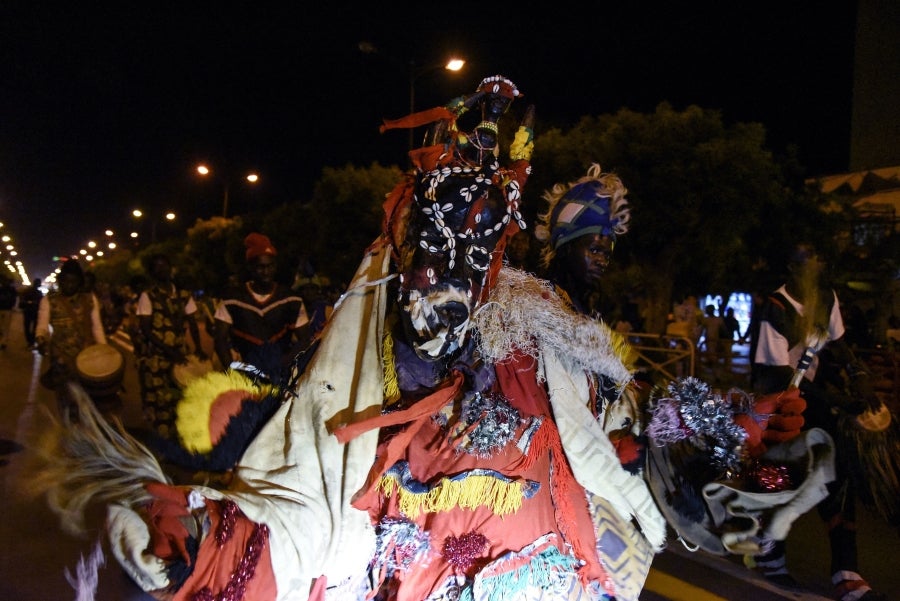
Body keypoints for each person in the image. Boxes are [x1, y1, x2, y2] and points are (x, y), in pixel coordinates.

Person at [751, 242, 887, 601]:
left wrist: (858, 375)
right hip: (779, 401)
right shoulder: (776, 308)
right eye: (807, 266)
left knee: (841, 472)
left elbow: (838, 346)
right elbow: (778, 373)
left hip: (814, 398)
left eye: (817, 264)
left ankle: (847, 571)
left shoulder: (826, 298)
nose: (815, 271)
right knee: (787, 474)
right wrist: (838, 400)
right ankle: (769, 552)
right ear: (793, 270)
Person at [213, 233, 309, 382]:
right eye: (260, 267)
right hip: (244, 374)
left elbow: (304, 339)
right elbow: (220, 339)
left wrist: (282, 365)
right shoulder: (231, 299)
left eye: (270, 266)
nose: (266, 272)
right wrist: (234, 371)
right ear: (250, 268)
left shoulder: (291, 299)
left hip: (281, 374)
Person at [135, 253, 208, 440]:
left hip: (180, 355)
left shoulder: (184, 295)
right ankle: (164, 443)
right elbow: (146, 330)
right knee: (161, 402)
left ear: (171, 268)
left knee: (181, 398)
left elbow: (192, 323)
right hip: (157, 358)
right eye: (157, 267)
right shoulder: (147, 296)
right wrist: (168, 351)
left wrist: (198, 348)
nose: (162, 270)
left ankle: (180, 439)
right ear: (152, 273)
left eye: (164, 265)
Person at [35, 259, 107, 416]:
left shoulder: (89, 299)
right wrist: (41, 339)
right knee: (66, 399)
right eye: (65, 281)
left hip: (88, 357)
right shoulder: (49, 300)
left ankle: (83, 430)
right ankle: (71, 431)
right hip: (62, 360)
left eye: (73, 282)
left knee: (87, 401)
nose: (69, 285)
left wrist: (104, 350)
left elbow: (97, 327)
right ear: (60, 281)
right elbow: (42, 325)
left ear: (80, 282)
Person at [18, 277, 43, 348]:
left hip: (30, 311)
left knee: (28, 327)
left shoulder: (30, 291)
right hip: (32, 311)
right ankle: (31, 341)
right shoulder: (37, 293)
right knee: (31, 328)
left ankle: (30, 341)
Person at [0, 276, 17, 349]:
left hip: (6, 309)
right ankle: (3, 341)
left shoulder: (9, 290)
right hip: (7, 309)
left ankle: (3, 342)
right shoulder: (12, 290)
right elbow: (14, 299)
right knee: (5, 327)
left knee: (5, 327)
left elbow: (14, 299)